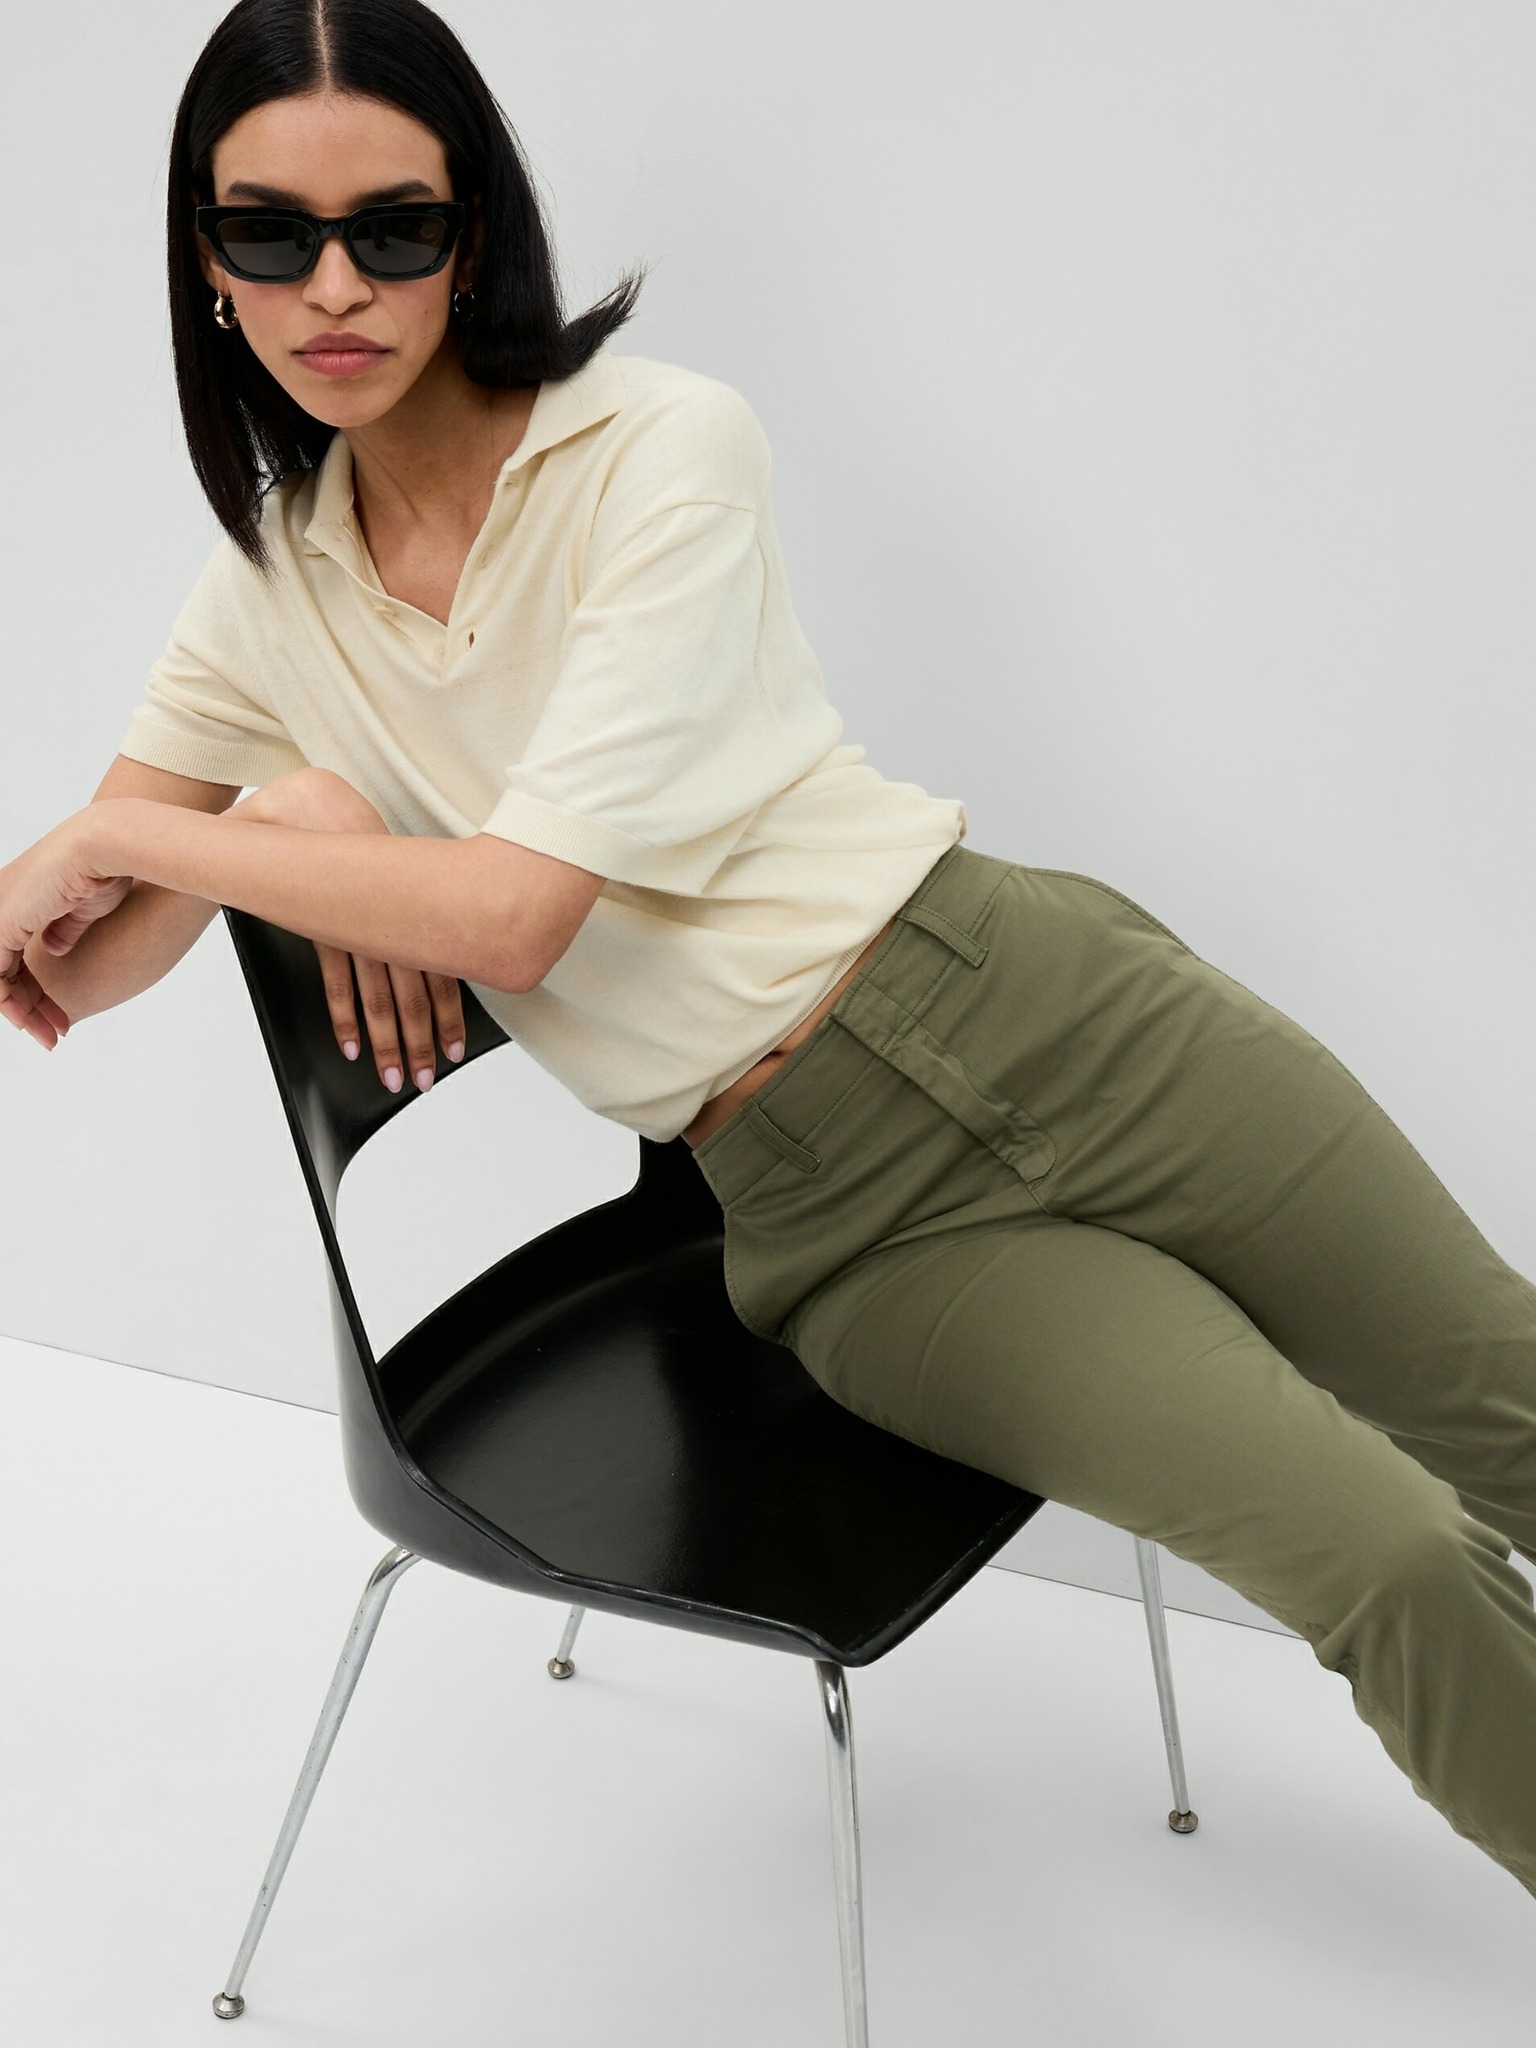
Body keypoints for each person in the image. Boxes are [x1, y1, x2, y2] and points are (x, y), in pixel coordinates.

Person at [4, 0, 1536, 1915]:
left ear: (472, 243)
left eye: (393, 227)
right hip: (857, 1232)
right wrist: (270, 815)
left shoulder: (657, 445)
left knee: (1512, 1406)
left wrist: (174, 830)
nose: (335, 285)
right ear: (206, 262)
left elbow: (513, 914)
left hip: (1053, 1009)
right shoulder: (261, 593)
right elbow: (72, 967)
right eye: (270, 231)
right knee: (1387, 1553)